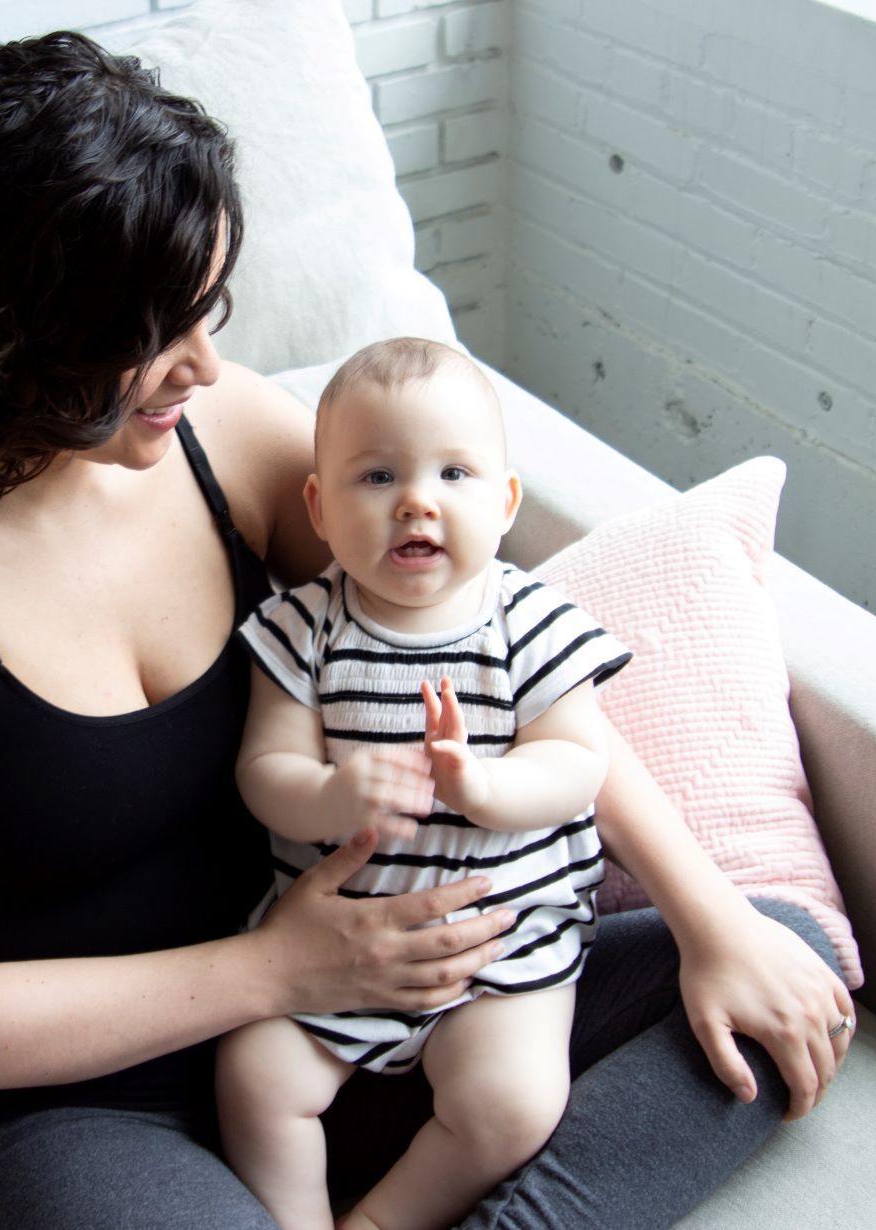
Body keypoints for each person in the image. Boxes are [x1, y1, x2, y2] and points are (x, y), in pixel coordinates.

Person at [0, 30, 856, 1230]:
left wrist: (711, 919)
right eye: (155, 335)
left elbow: (512, 669)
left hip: (346, 1021)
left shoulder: (220, 439)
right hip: (73, 1104)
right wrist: (274, 968)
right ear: (9, 339)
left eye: (205, 308)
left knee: (785, 962)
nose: (205, 364)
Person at [219, 338, 630, 1230]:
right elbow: (263, 771)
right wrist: (327, 795)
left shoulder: (529, 620)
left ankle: (380, 1221)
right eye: (376, 478)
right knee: (253, 1076)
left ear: (505, 500)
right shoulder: (301, 630)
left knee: (512, 1104)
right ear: (318, 509)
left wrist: (483, 788)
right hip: (334, 944)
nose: (416, 499)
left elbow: (576, 764)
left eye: (454, 473)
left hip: (498, 949)